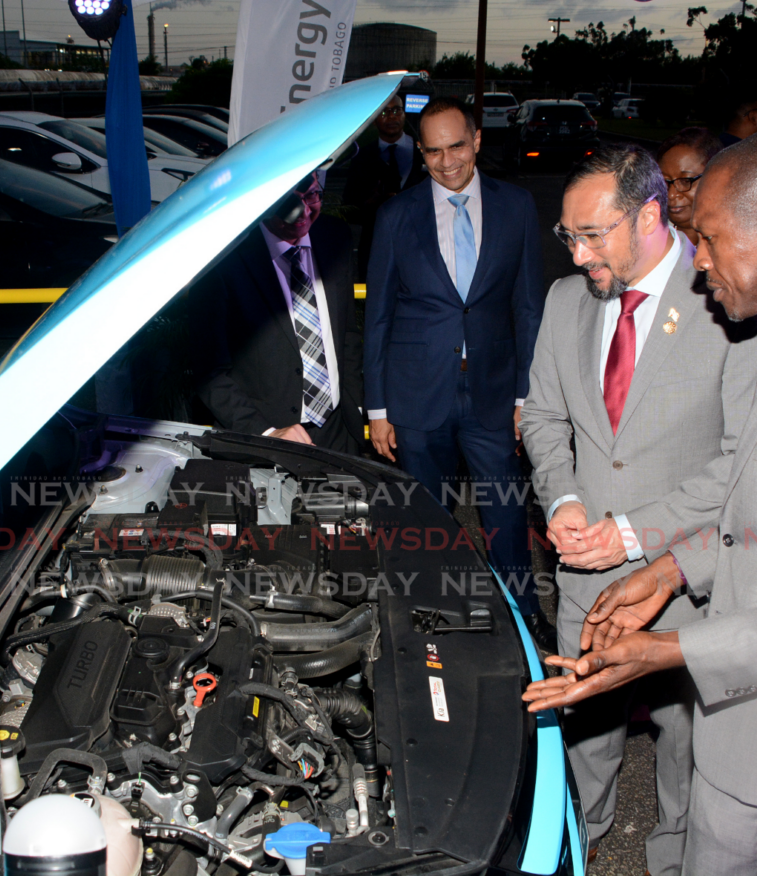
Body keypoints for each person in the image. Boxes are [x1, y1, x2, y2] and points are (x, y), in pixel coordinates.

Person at [523, 128, 757, 876]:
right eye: (569, 234)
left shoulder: (737, 315)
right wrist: (570, 507)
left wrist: (650, 556)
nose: (577, 253)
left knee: (687, 752)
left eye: (594, 234)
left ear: (649, 216)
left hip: (735, 640)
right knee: (584, 729)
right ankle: (575, 844)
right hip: (620, 578)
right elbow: (543, 418)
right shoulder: (569, 302)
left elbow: (743, 472)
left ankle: (670, 855)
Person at [363, 96, 551, 647]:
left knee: (507, 515)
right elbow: (377, 317)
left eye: (457, 147)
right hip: (417, 393)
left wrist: (527, 395)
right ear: (420, 153)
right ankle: (432, 616)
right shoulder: (396, 216)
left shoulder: (514, 206)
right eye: (434, 151)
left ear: (477, 141)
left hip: (494, 391)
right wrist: (378, 409)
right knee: (428, 521)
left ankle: (522, 615)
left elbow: (528, 308)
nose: (447, 162)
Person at [193, 172, 365, 454]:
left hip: (338, 433)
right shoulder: (223, 261)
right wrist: (267, 433)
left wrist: (353, 403)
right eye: (290, 201)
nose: (304, 211)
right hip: (267, 439)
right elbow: (210, 373)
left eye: (312, 195)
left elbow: (346, 333)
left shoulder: (335, 237)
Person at [343, 94, 427, 280]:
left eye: (397, 110)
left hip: (418, 250)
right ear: (374, 120)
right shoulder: (362, 158)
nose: (392, 116)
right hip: (375, 251)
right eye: (384, 112)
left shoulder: (425, 153)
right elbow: (347, 208)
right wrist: (369, 203)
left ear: (404, 114)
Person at [657, 127, 722, 246]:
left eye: (686, 181)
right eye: (665, 182)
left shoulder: (735, 246)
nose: (671, 194)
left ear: (716, 178)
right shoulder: (648, 236)